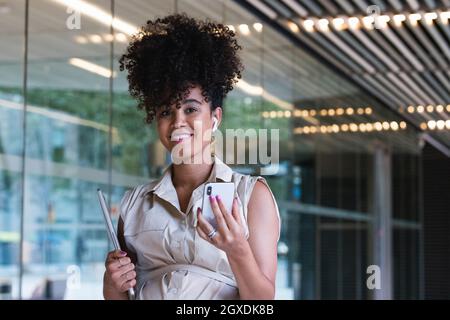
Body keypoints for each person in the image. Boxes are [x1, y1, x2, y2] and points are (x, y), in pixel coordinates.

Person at [103, 14, 280, 300]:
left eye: (190, 109)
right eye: (165, 112)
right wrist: (112, 286)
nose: (176, 123)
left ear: (215, 118)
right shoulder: (134, 205)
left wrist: (237, 250)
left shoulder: (251, 196)